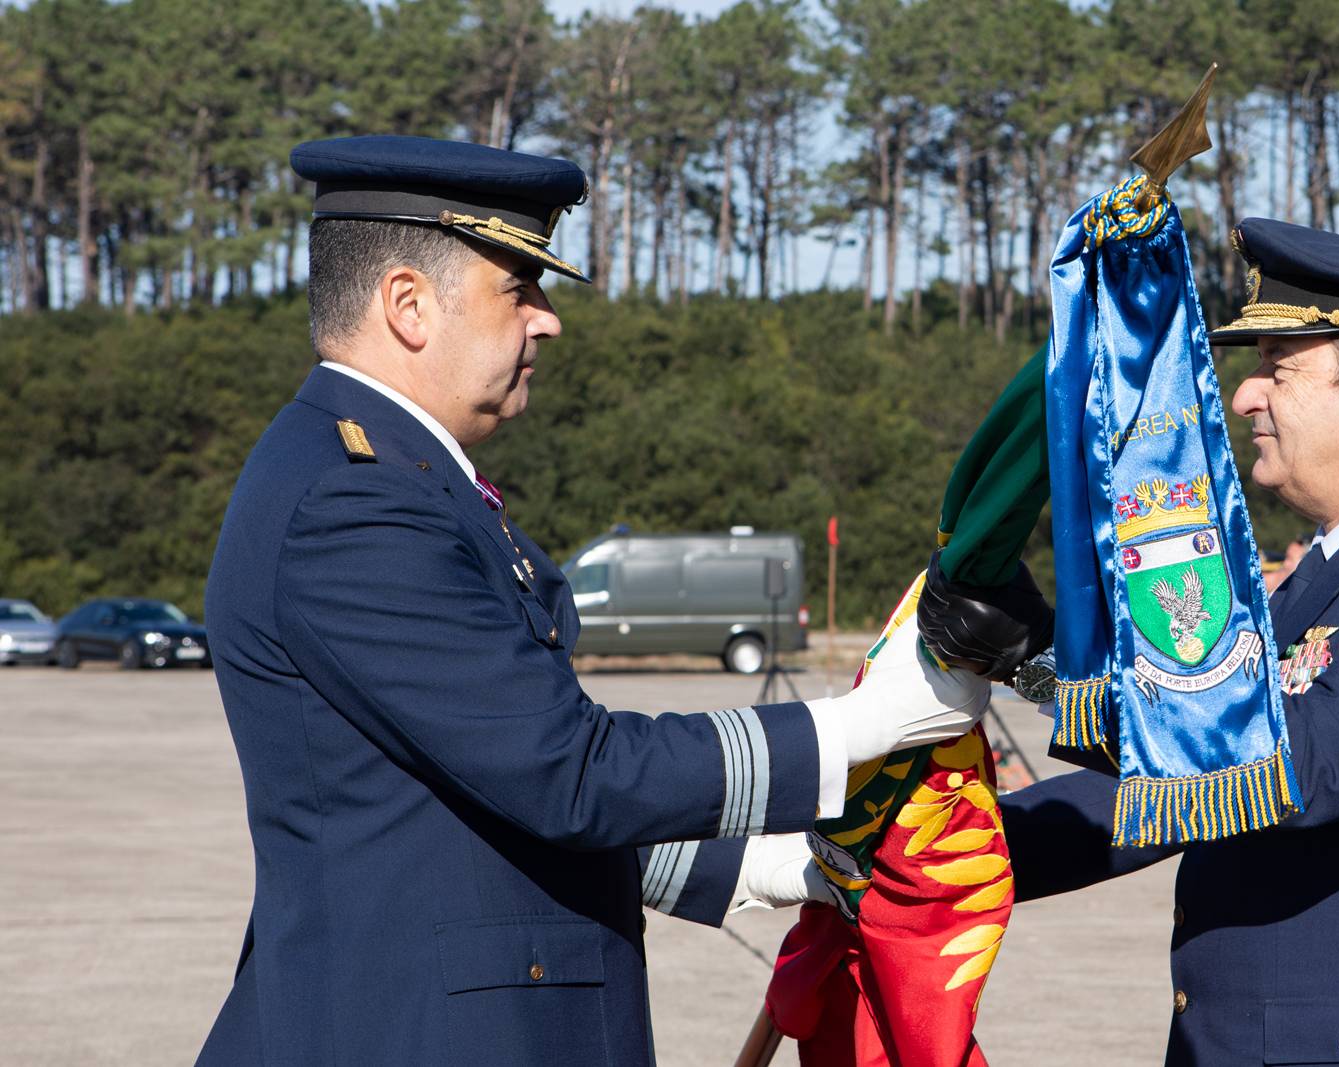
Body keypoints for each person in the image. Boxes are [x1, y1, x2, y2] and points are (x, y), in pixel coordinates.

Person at [196, 135, 987, 1065]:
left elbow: (480, 785)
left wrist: (758, 866)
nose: (547, 320)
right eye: (518, 288)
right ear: (408, 304)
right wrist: (864, 724)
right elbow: (565, 771)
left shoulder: (383, 473)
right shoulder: (356, 500)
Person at [941, 218, 1339, 1064]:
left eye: (1277, 367)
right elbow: (1171, 788)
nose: (1245, 396)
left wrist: (1040, 663)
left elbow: (1280, 765)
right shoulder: (1335, 572)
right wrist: (931, 859)